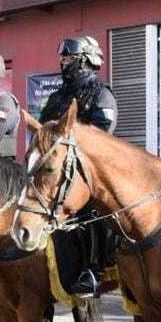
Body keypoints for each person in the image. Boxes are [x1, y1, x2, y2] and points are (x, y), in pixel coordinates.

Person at [39, 36, 118, 294]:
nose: (63, 61)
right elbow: (43, 131)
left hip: (89, 168)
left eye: (68, 57)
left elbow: (101, 134)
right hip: (57, 167)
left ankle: (95, 269)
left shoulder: (101, 94)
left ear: (85, 61)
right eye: (63, 57)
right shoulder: (57, 97)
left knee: (93, 210)